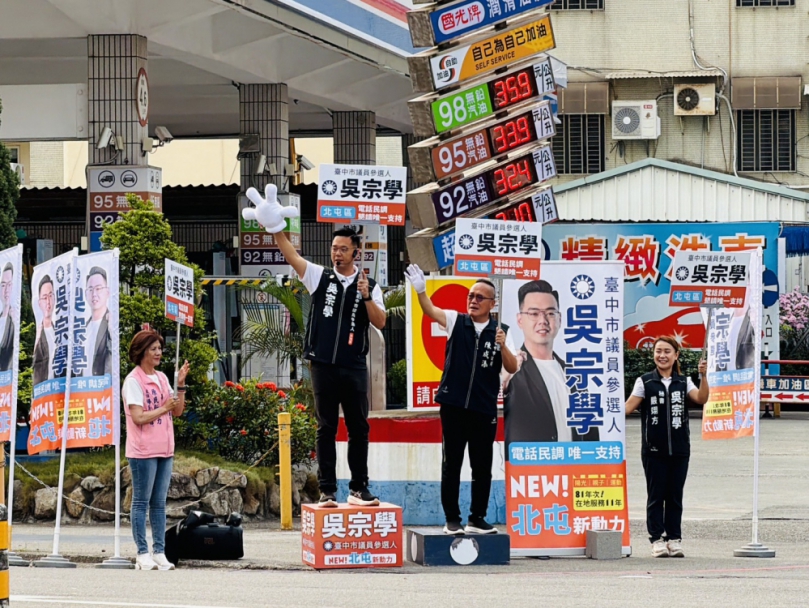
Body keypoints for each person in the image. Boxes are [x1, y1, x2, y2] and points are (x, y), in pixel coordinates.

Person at [254, 185, 386, 508]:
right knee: (326, 427)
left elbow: (380, 322)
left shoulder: (369, 285)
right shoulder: (319, 277)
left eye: (343, 249)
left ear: (356, 252)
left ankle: (359, 487)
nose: (337, 253)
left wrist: (366, 296)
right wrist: (275, 229)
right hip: (322, 365)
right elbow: (292, 256)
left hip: (354, 366)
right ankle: (328, 489)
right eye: (334, 248)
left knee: (359, 427)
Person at [405, 264, 517, 535]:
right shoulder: (457, 321)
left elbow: (512, 368)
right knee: (452, 463)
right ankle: (451, 519)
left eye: (480, 297)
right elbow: (430, 310)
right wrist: (420, 291)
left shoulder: (501, 331)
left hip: (483, 407)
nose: (474, 301)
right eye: (471, 296)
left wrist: (502, 345)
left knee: (482, 466)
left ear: (493, 303)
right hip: (453, 405)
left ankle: (476, 518)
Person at [625, 336, 708, 558]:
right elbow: (626, 408)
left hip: (680, 449)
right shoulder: (645, 382)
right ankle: (656, 539)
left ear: (676, 355)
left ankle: (674, 538)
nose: (662, 355)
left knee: (674, 496)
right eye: (658, 351)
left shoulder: (684, 382)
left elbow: (701, 398)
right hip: (653, 450)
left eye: (667, 351)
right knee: (655, 495)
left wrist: (703, 375)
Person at [503, 280, 599, 451]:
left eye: (550, 313)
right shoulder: (510, 368)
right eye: (533, 313)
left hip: (572, 468)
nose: (543, 320)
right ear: (520, 320)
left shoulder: (574, 374)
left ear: (559, 319)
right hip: (530, 471)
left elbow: (589, 429)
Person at [122, 329, 189, 571]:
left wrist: (179, 386)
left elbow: (177, 410)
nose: (159, 352)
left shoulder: (161, 378)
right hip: (142, 451)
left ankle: (159, 551)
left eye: (160, 348)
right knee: (141, 502)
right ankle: (142, 553)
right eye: (153, 349)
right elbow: (138, 417)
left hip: (164, 448)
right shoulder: (133, 381)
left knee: (159, 503)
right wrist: (163, 408)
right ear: (141, 352)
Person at [85, 266, 112, 377]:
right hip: (81, 390)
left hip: (101, 391)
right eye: (90, 289)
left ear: (107, 292)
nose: (94, 294)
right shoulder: (82, 329)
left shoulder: (111, 324)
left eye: (98, 288)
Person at [32, 274, 55, 386]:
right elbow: (34, 367)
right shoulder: (38, 334)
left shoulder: (62, 333)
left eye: (50, 296)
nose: (48, 302)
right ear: (39, 303)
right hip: (44, 393)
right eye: (44, 297)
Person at [0, 263, 15, 372]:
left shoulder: (14, 320)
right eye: (3, 285)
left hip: (6, 382)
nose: (6, 290)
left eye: (9, 285)